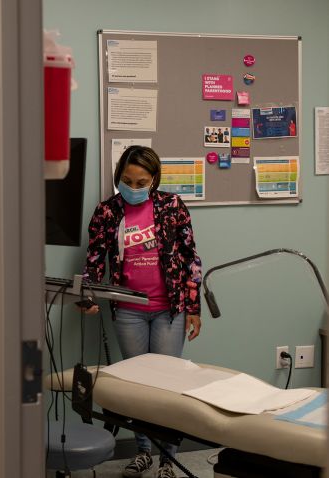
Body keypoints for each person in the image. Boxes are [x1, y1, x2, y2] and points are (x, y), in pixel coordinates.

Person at [81, 146, 202, 478]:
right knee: (137, 386)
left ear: (154, 180)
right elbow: (94, 260)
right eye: (126, 180)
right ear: (118, 177)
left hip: (169, 309)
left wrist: (193, 306)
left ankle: (168, 460)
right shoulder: (107, 212)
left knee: (165, 386)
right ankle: (144, 452)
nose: (132, 187)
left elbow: (191, 258)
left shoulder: (172, 207)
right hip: (129, 310)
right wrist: (87, 295)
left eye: (141, 181)